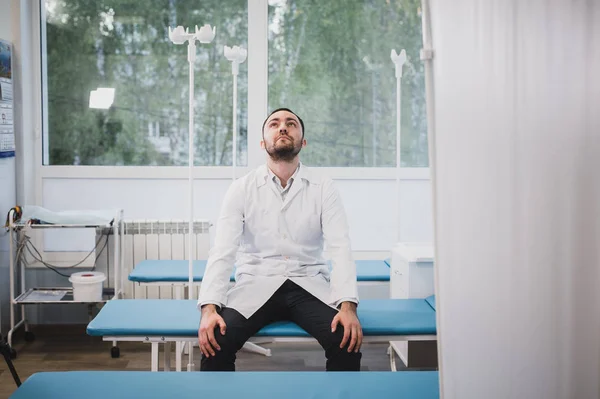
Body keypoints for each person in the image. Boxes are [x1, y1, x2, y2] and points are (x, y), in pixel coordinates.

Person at [197, 107, 362, 371]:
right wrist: (209, 309)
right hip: (256, 282)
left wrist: (348, 307)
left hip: (308, 283)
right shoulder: (241, 188)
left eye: (291, 124)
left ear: (303, 141)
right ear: (263, 142)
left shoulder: (323, 186)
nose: (282, 127)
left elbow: (340, 247)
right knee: (217, 340)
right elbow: (222, 250)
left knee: (345, 338)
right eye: (274, 124)